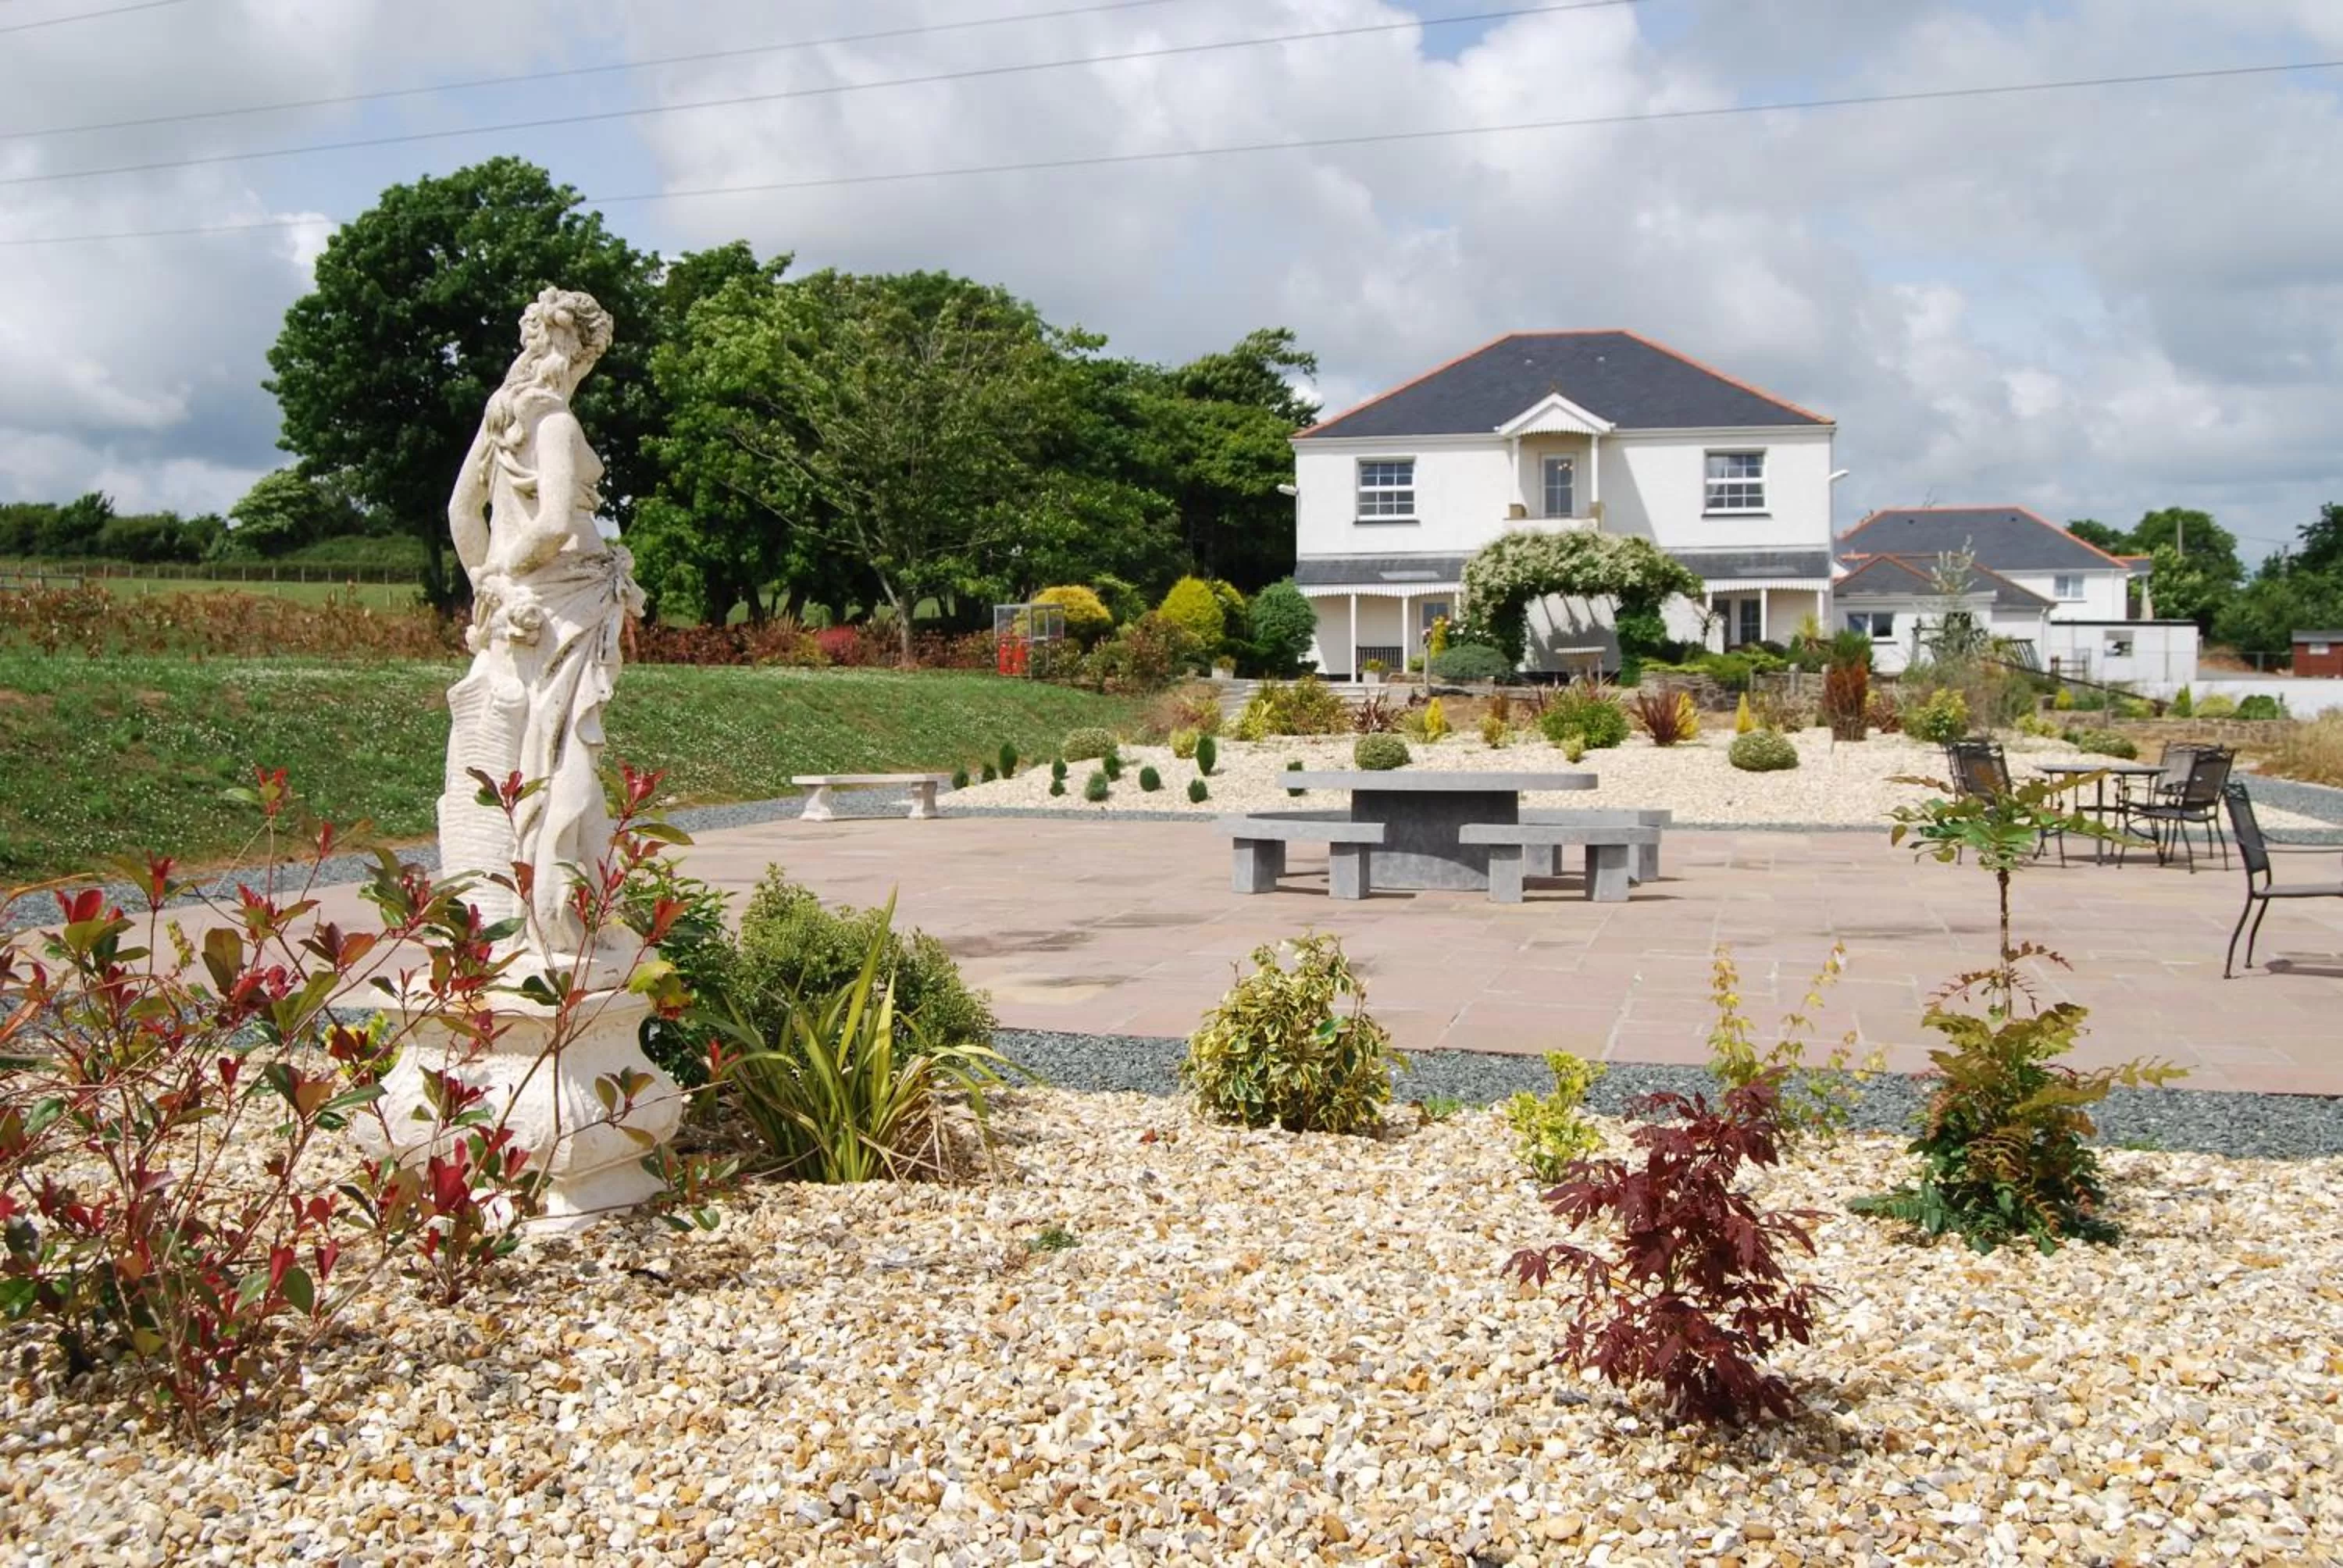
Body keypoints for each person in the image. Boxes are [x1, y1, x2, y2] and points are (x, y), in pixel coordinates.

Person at [440, 286, 644, 971]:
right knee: (563, 762)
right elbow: (556, 523)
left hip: (523, 614)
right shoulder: (554, 422)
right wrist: (508, 579)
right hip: (559, 612)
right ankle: (560, 919)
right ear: (579, 355)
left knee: (530, 759)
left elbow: (461, 513)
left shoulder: (501, 419)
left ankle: (535, 919)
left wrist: (489, 585)